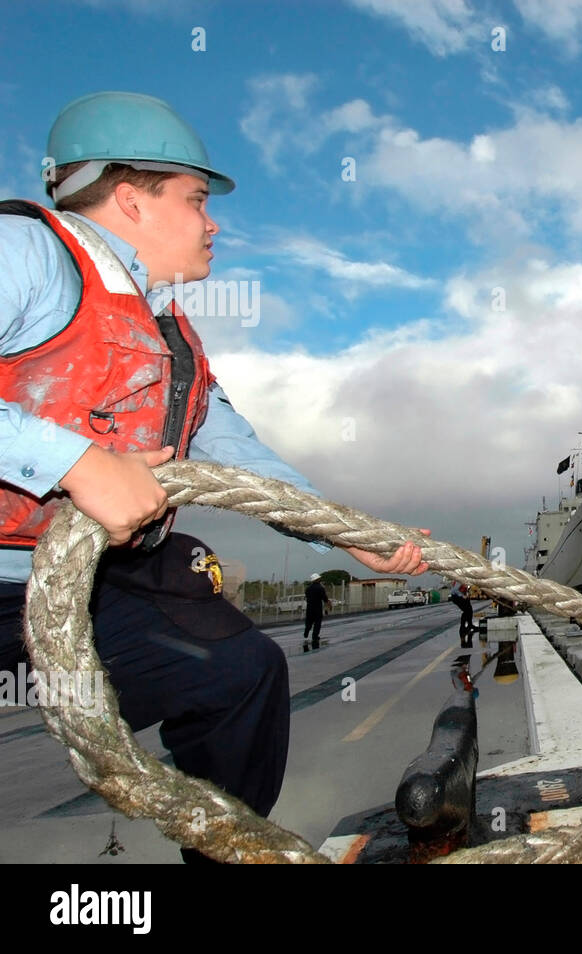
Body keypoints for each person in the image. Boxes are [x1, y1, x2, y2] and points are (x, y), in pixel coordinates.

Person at [0, 91, 430, 859]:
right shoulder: (26, 256)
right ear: (130, 200)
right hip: (9, 578)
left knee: (240, 673)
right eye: (196, 199)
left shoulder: (170, 336)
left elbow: (244, 460)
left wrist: (351, 537)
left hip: (102, 575)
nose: (213, 222)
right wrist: (76, 462)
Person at [303, 573, 331, 652]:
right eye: (319, 578)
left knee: (309, 620)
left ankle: (306, 631)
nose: (320, 579)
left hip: (309, 607)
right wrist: (327, 605)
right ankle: (315, 636)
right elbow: (324, 598)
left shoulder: (307, 589)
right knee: (317, 623)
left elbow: (307, 597)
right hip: (317, 608)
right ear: (317, 580)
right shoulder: (320, 588)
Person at [449, 581, 474, 647]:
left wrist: (467, 595)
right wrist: (463, 596)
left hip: (461, 596)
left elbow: (466, 589)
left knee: (470, 610)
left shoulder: (466, 581)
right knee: (466, 611)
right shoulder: (459, 580)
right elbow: (454, 590)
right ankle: (462, 628)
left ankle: (470, 625)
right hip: (456, 597)